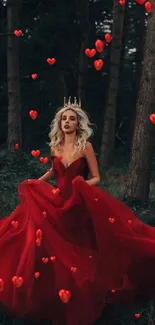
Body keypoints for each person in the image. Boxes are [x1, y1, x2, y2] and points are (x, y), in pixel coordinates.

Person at [1, 97, 155, 325]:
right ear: (59, 122)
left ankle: (86, 289)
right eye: (64, 118)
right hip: (56, 200)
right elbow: (53, 172)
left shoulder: (86, 147)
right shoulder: (55, 145)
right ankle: (50, 290)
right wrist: (35, 182)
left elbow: (96, 177)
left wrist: (79, 187)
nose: (67, 122)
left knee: (78, 246)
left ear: (78, 123)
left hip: (78, 201)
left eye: (72, 119)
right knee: (46, 241)